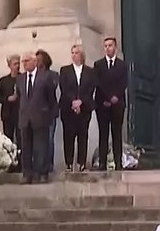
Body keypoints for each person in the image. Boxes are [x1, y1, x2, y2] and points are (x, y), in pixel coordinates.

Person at [15, 51, 58, 184]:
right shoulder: (20, 78)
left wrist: (50, 115)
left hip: (41, 116)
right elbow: (20, 97)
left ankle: (42, 172)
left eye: (27, 61)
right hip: (25, 118)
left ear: (35, 62)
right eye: (23, 62)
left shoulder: (45, 77)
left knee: (41, 147)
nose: (24, 64)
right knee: (26, 147)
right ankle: (27, 173)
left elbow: (51, 98)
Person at [58, 44, 97, 172]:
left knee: (83, 135)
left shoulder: (90, 72)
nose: (74, 55)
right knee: (68, 136)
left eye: (77, 53)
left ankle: (82, 163)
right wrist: (74, 102)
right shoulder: (65, 70)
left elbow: (90, 88)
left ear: (82, 55)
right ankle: (69, 163)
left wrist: (81, 101)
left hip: (84, 108)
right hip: (68, 108)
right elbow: (64, 88)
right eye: (72, 52)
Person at [93, 37, 128, 170]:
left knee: (117, 133)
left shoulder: (122, 65)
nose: (108, 48)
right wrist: (108, 98)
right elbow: (98, 83)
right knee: (103, 133)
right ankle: (102, 162)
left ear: (115, 47)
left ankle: (118, 163)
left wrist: (115, 97)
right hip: (102, 104)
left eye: (110, 45)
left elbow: (123, 83)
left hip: (118, 104)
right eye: (106, 46)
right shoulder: (98, 65)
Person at [0, 54, 21, 168]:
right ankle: (9, 164)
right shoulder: (3, 80)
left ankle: (20, 164)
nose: (17, 66)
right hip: (7, 114)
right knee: (8, 141)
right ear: (9, 65)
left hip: (20, 114)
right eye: (15, 64)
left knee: (21, 140)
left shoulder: (23, 78)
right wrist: (7, 99)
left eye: (18, 63)